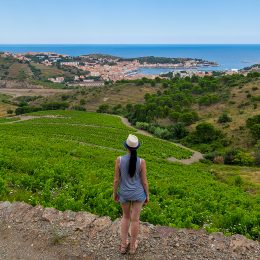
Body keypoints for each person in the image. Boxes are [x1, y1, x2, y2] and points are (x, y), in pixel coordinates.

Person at [113, 134, 149, 255]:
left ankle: (123, 246)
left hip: (124, 194)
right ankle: (133, 247)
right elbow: (144, 181)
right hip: (138, 194)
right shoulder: (141, 162)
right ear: (137, 148)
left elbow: (116, 180)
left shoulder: (119, 160)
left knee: (125, 217)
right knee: (135, 220)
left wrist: (115, 193)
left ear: (126, 147)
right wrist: (147, 195)